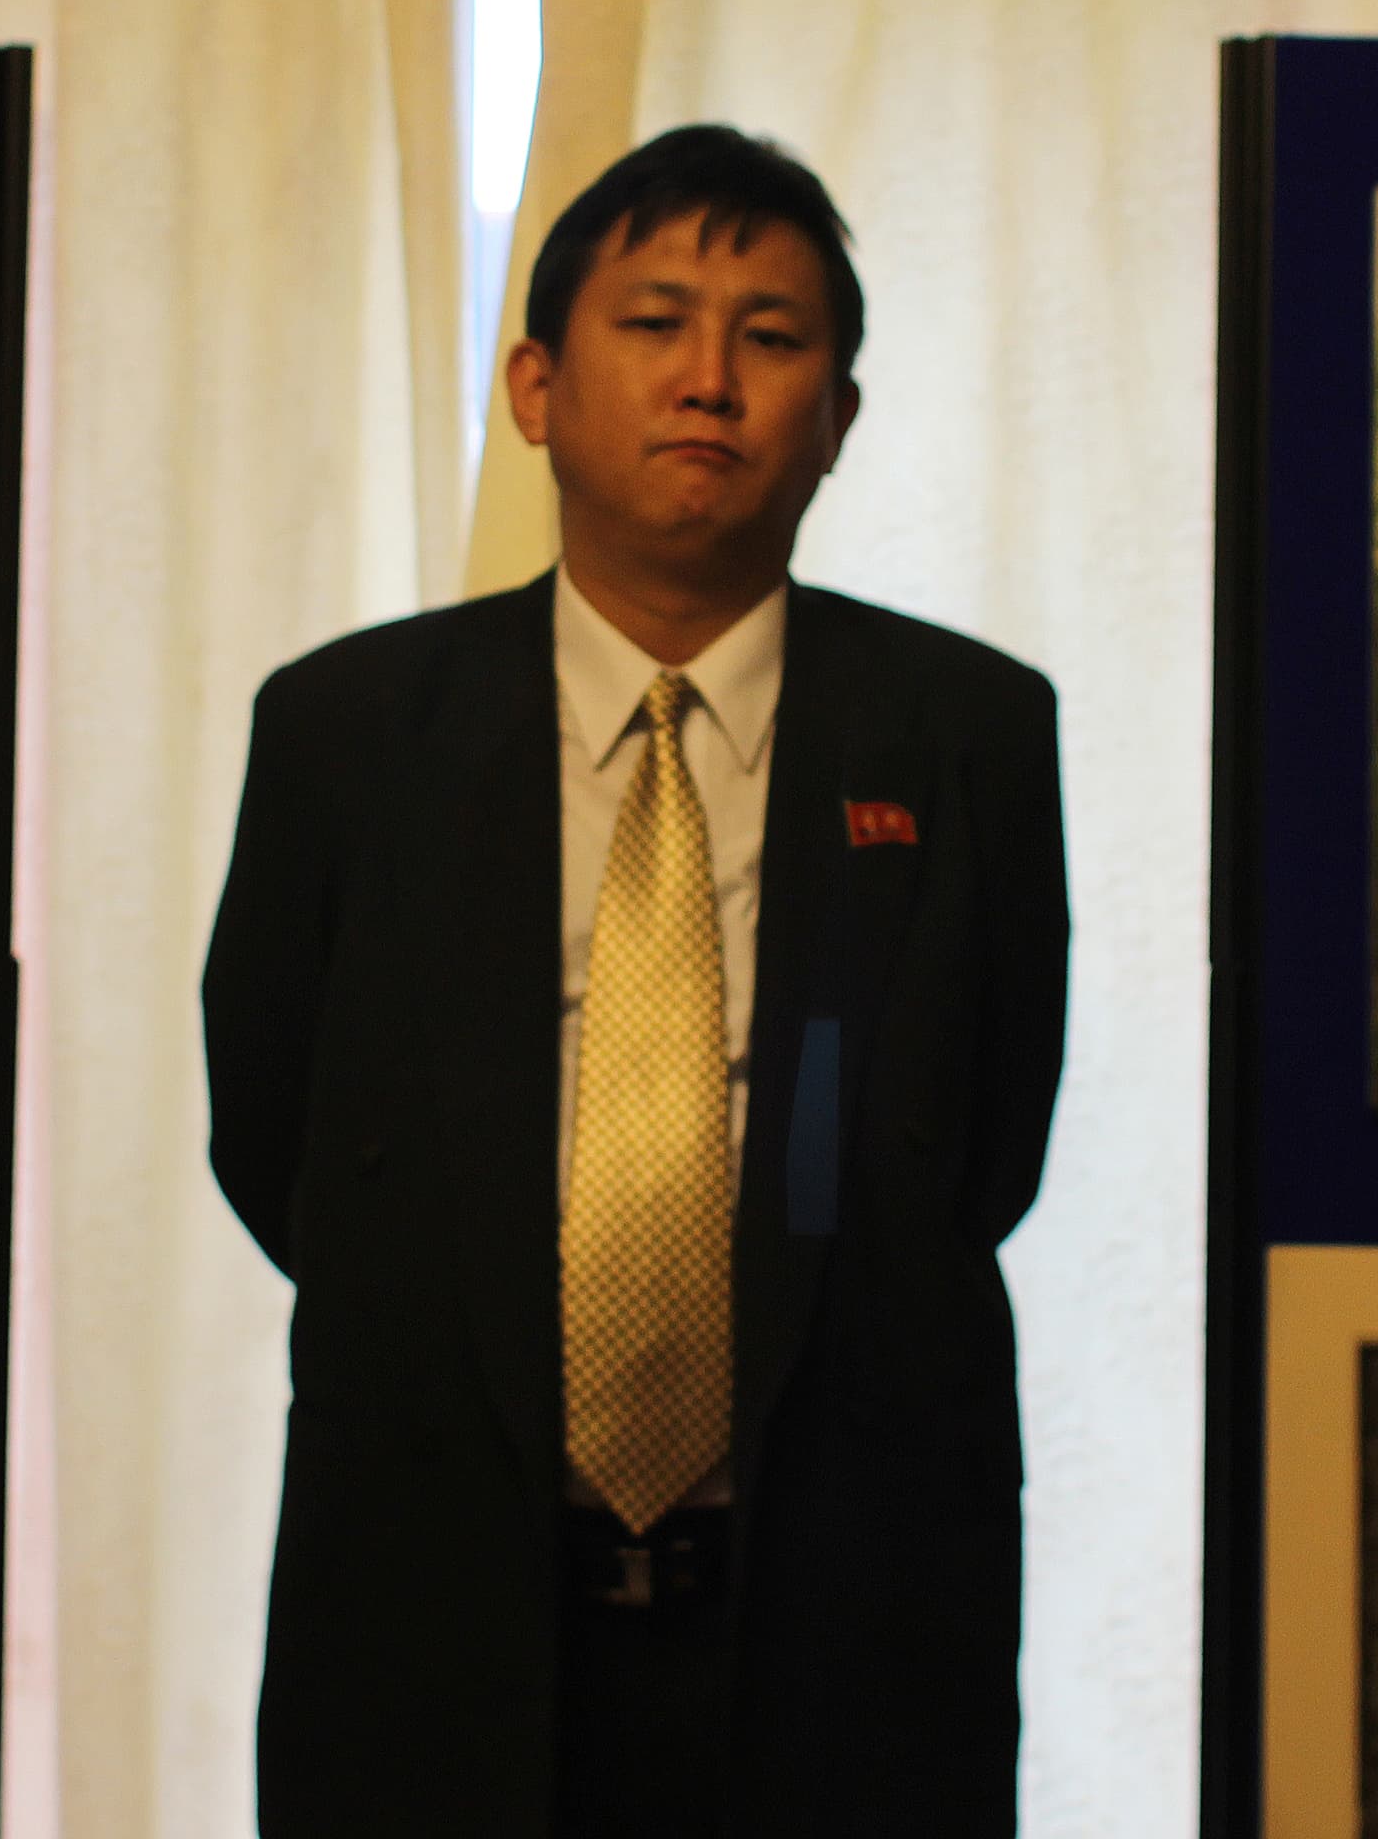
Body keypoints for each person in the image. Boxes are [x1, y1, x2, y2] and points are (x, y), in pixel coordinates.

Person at [204, 124, 1070, 1837]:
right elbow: (280, 1140)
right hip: (436, 1602)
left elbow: (977, 1157)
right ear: (534, 385)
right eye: (654, 321)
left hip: (847, 1620)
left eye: (772, 337)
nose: (710, 381)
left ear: (841, 413)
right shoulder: (350, 735)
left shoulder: (964, 736)